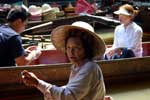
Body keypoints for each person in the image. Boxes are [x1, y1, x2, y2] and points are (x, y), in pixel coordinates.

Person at [21, 21, 107, 100]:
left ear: (87, 49)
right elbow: (70, 89)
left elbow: (68, 96)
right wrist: (42, 86)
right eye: (68, 47)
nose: (71, 52)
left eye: (76, 48)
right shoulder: (76, 66)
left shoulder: (89, 67)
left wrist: (38, 83)